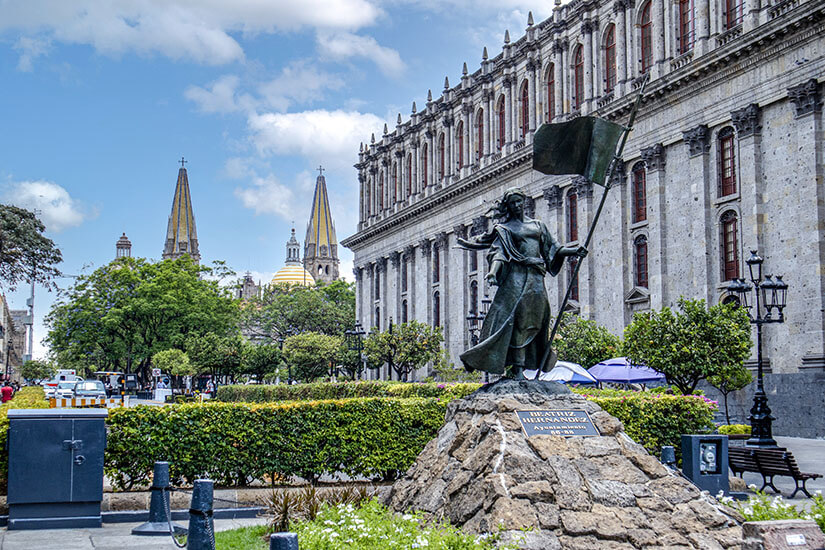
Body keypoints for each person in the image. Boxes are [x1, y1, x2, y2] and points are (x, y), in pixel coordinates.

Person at [458, 187, 587, 379]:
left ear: (524, 201)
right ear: (508, 206)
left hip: (536, 278)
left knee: (537, 319)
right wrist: (493, 273)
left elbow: (553, 249)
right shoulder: (504, 229)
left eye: (519, 201)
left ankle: (523, 365)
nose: (517, 205)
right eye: (513, 203)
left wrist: (574, 251)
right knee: (518, 320)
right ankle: (517, 369)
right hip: (516, 279)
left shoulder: (538, 226)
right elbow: (499, 253)